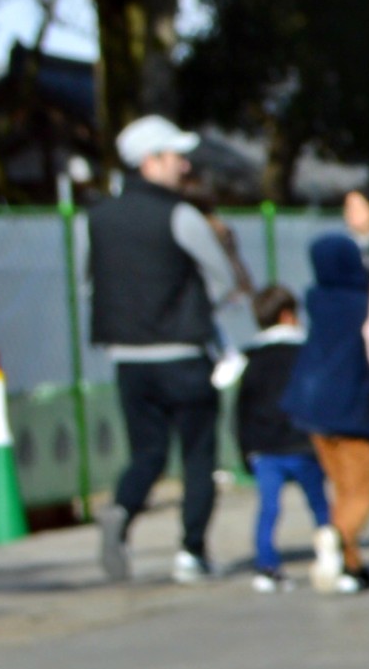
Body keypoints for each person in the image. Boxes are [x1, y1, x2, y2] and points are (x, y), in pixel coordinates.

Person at [86, 115, 253, 584]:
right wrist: (198, 305)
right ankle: (191, 551)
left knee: (147, 453)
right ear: (150, 162)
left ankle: (122, 508)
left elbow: (89, 281)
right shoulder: (180, 216)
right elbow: (222, 278)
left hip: (127, 358)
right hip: (182, 353)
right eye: (175, 156)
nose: (184, 165)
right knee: (199, 455)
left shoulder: (97, 218)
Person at [283, 191, 369, 591]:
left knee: (340, 489)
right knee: (362, 494)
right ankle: (336, 539)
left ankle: (350, 563)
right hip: (352, 412)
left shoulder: (317, 300)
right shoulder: (364, 304)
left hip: (312, 409)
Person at [231, 287, 333, 594]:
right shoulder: (306, 352)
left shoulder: (250, 358)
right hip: (303, 444)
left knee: (269, 508)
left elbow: (241, 409)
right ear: (288, 315)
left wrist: (245, 451)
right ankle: (335, 556)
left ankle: (266, 565)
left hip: (264, 447)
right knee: (320, 506)